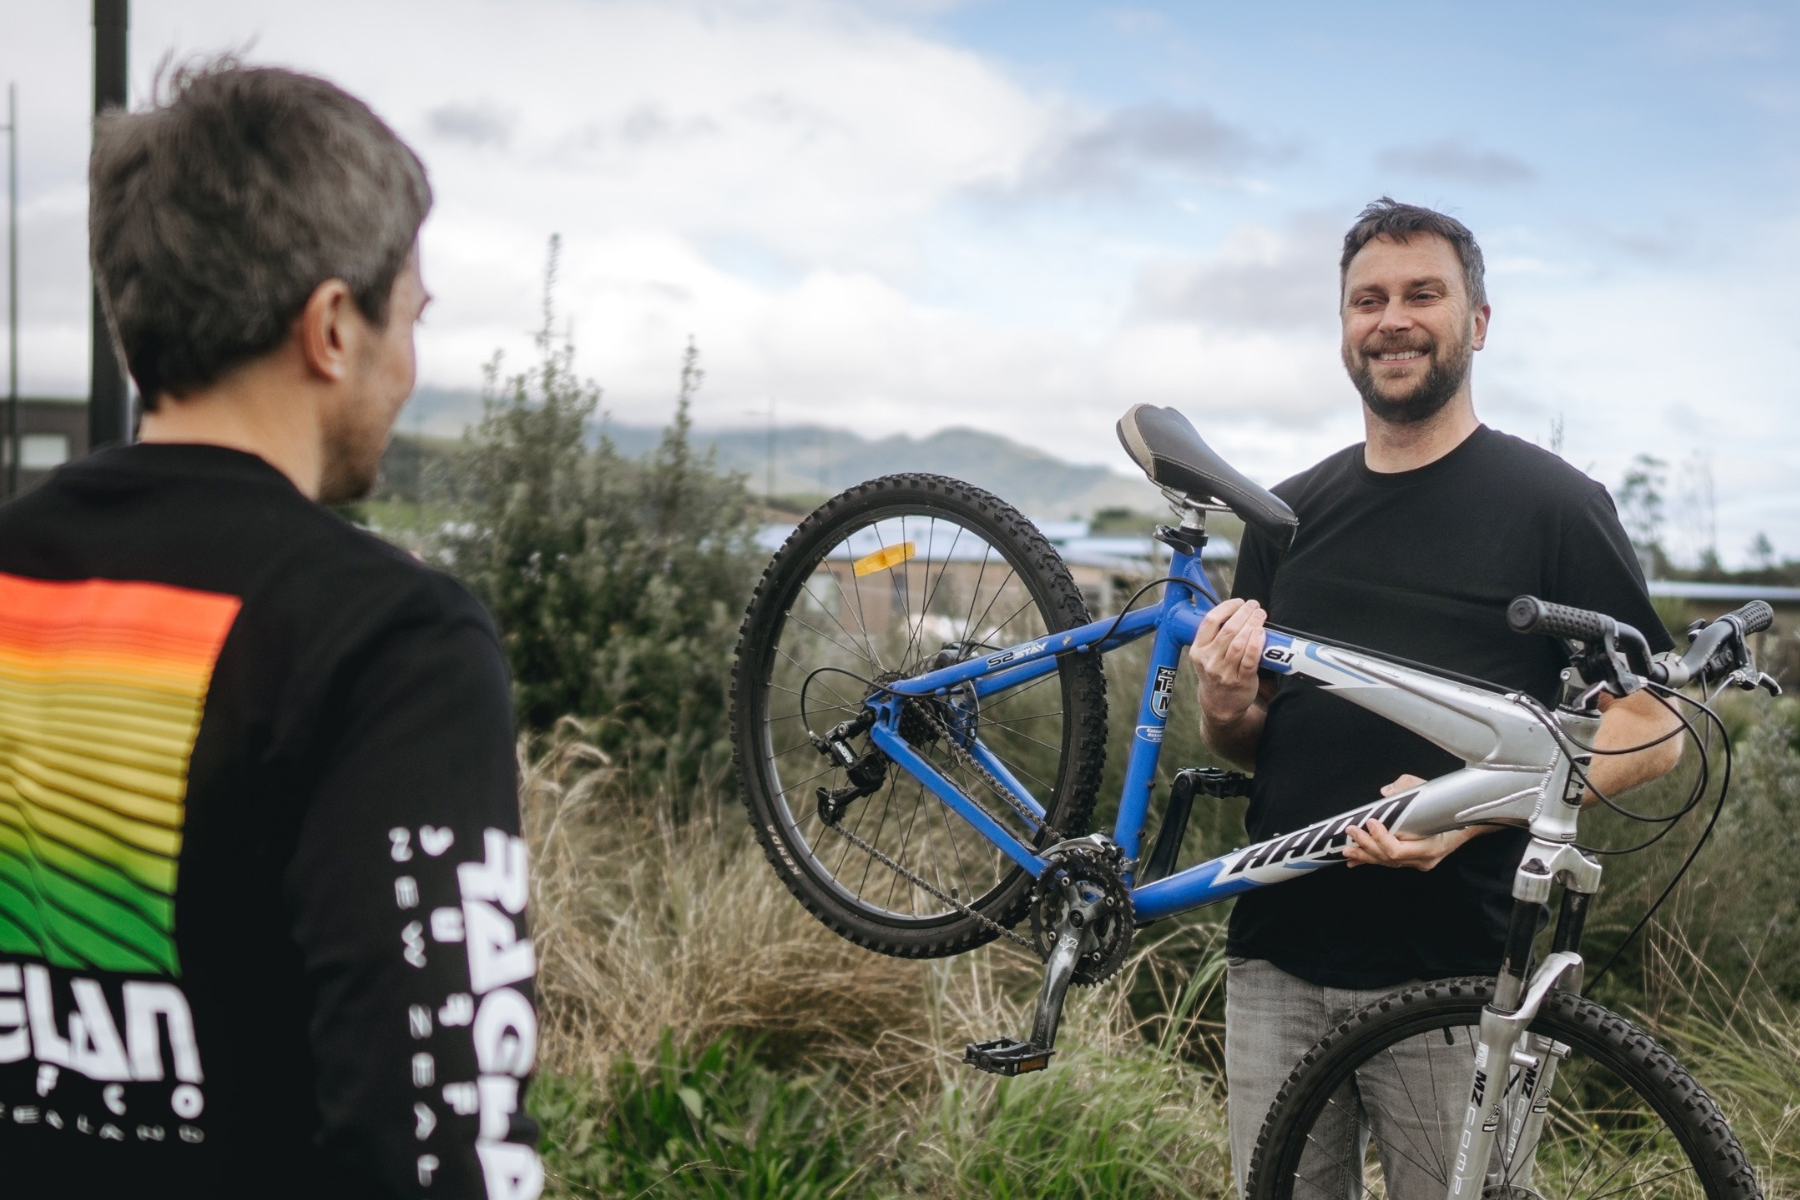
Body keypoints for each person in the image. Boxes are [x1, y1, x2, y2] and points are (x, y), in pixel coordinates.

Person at [0, 63, 542, 1199]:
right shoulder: (391, 644)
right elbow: (437, 1147)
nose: (411, 368)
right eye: (412, 316)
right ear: (333, 326)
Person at [1189, 198, 1684, 1199]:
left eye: (1424, 293)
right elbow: (1252, 743)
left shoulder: (1553, 506)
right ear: (1343, 329)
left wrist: (1471, 808)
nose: (1392, 319)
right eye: (1367, 300)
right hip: (1276, 958)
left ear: (1479, 322)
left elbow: (1655, 724)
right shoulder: (1287, 514)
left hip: (1458, 977)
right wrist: (1225, 699)